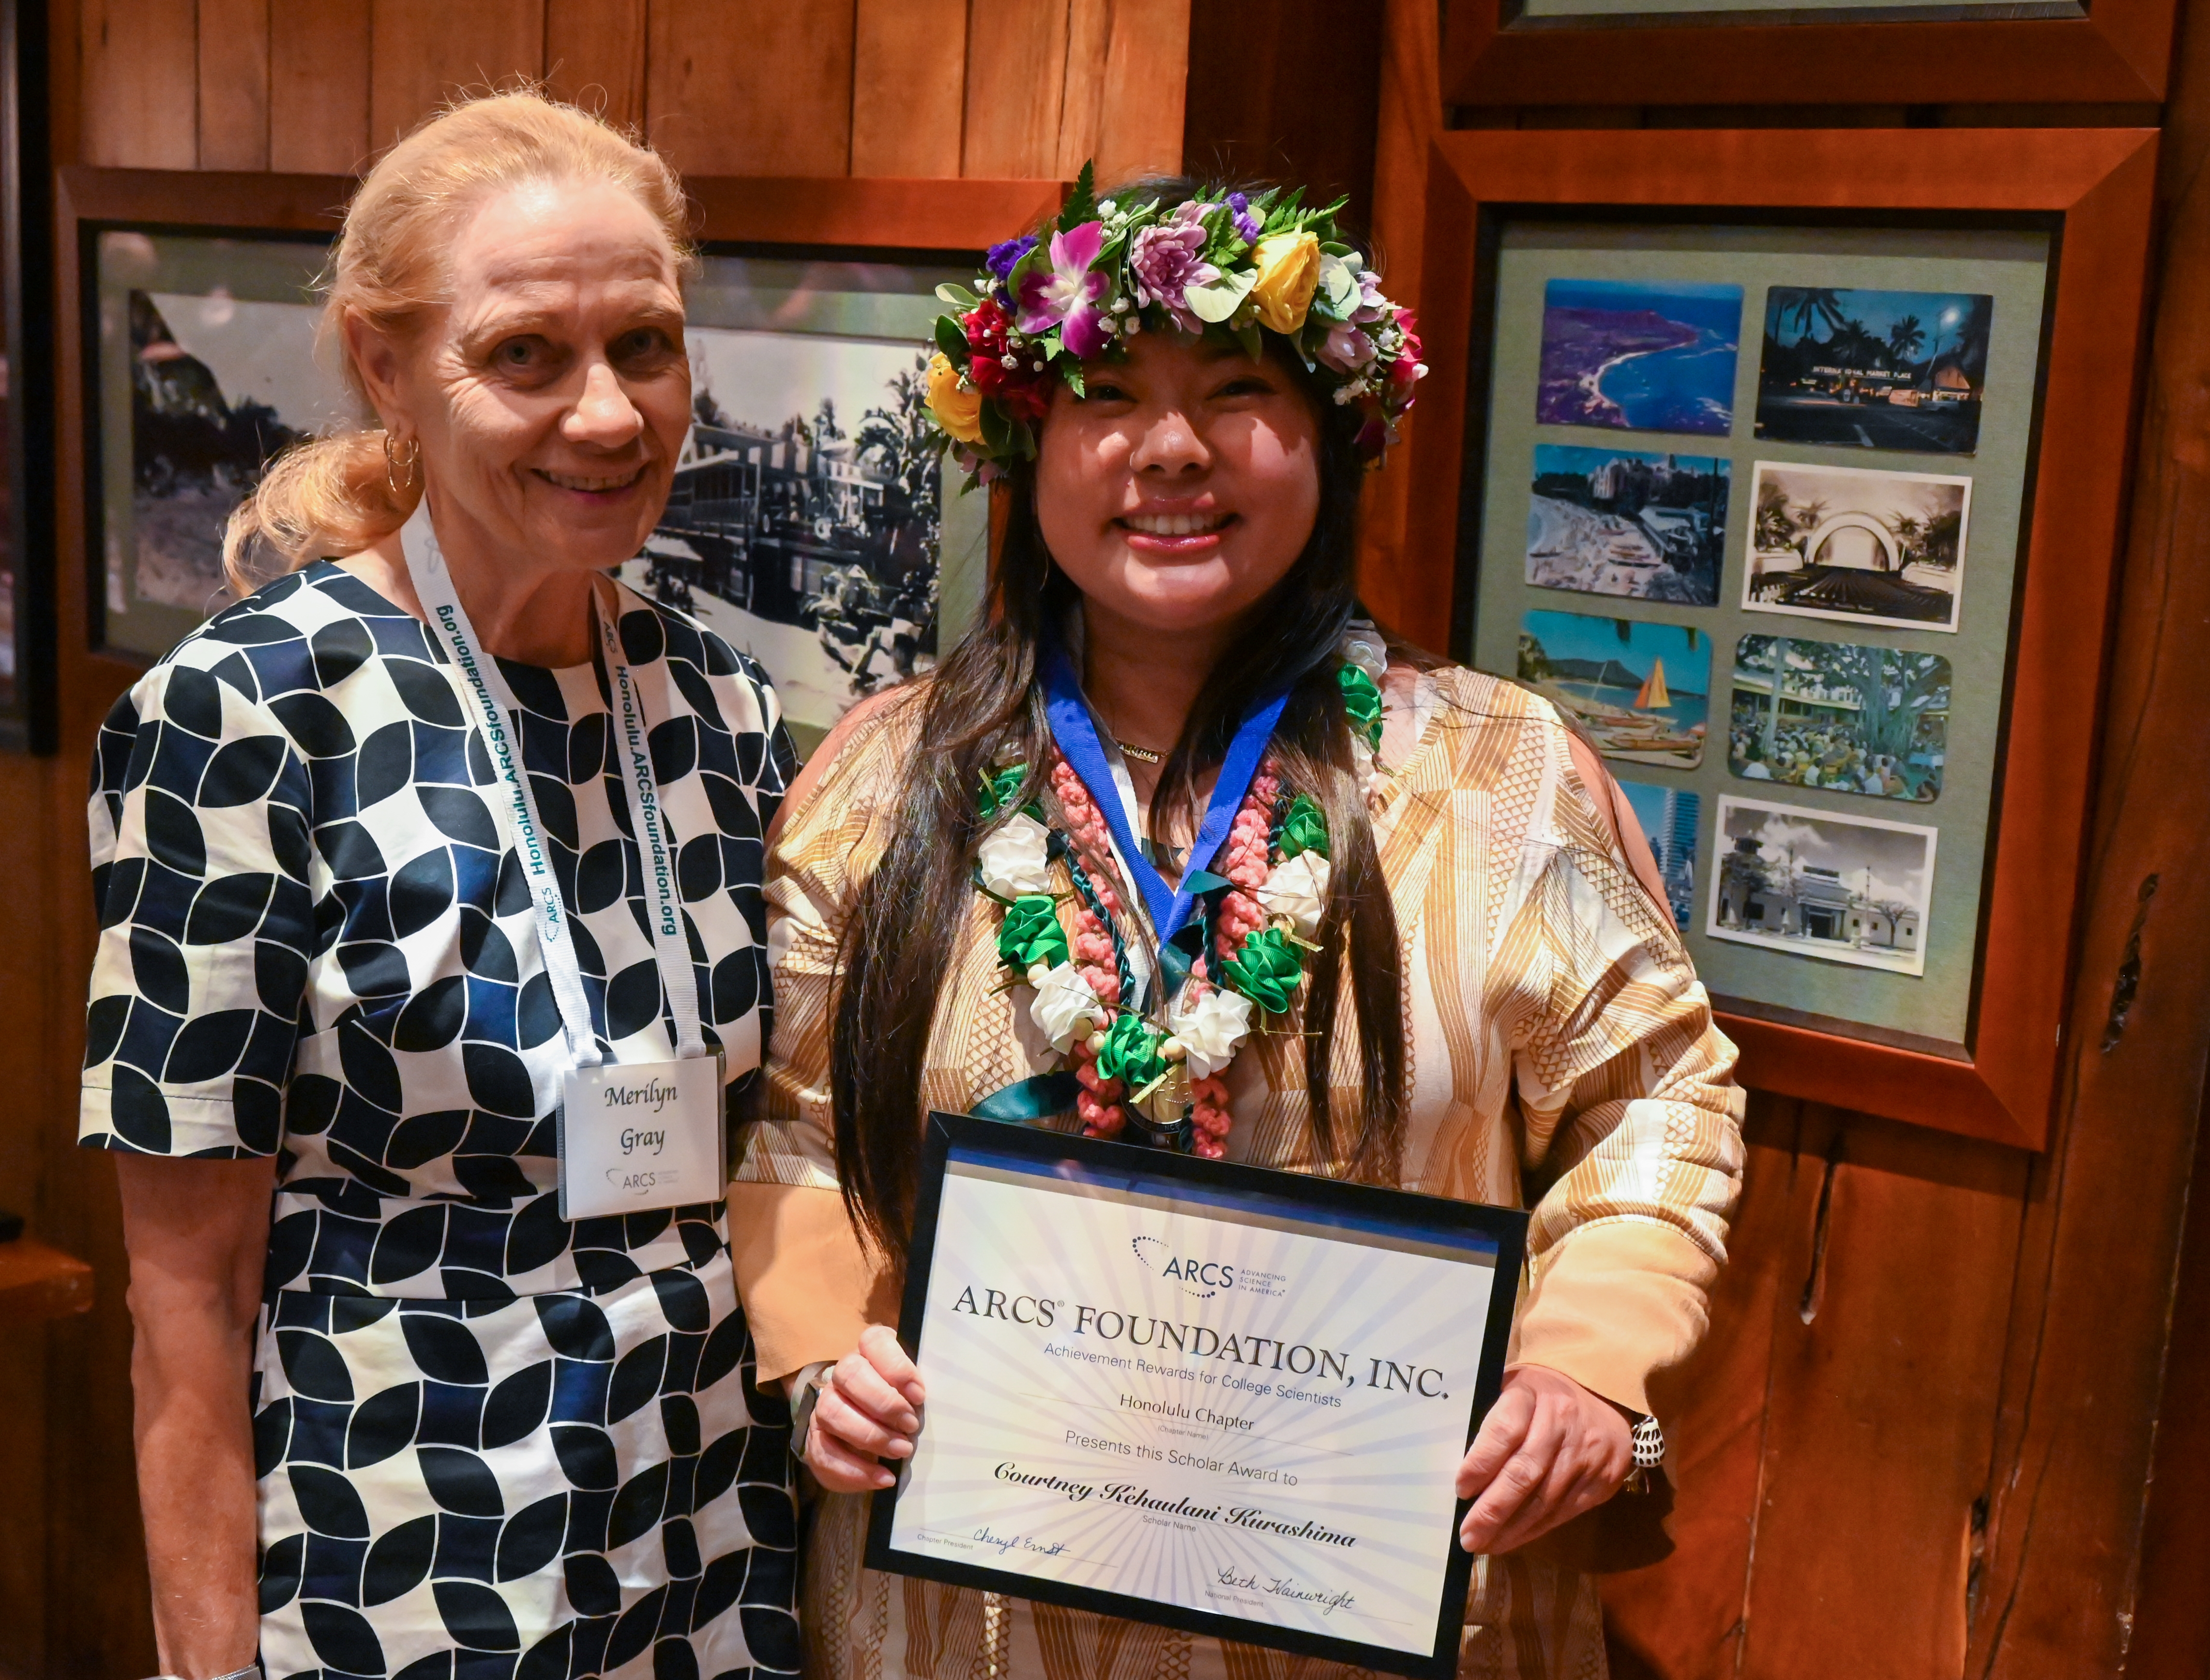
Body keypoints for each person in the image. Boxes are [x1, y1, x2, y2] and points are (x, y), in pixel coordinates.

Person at [728, 177, 1745, 1679]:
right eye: (1108, 398)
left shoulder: (1501, 770)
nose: (1173, 449)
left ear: (1332, 434)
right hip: (965, 1612)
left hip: (1378, 1602)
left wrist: (1593, 1365)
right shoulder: (885, 777)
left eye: (1236, 390)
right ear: (1026, 444)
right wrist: (822, 1355)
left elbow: (1655, 1100)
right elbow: (794, 1122)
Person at [82, 92, 798, 1680]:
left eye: (648, 345)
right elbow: (183, 1301)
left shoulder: (720, 701)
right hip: (395, 1555)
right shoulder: (247, 716)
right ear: (384, 365)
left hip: (701, 1547)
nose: (609, 415)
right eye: (528, 356)